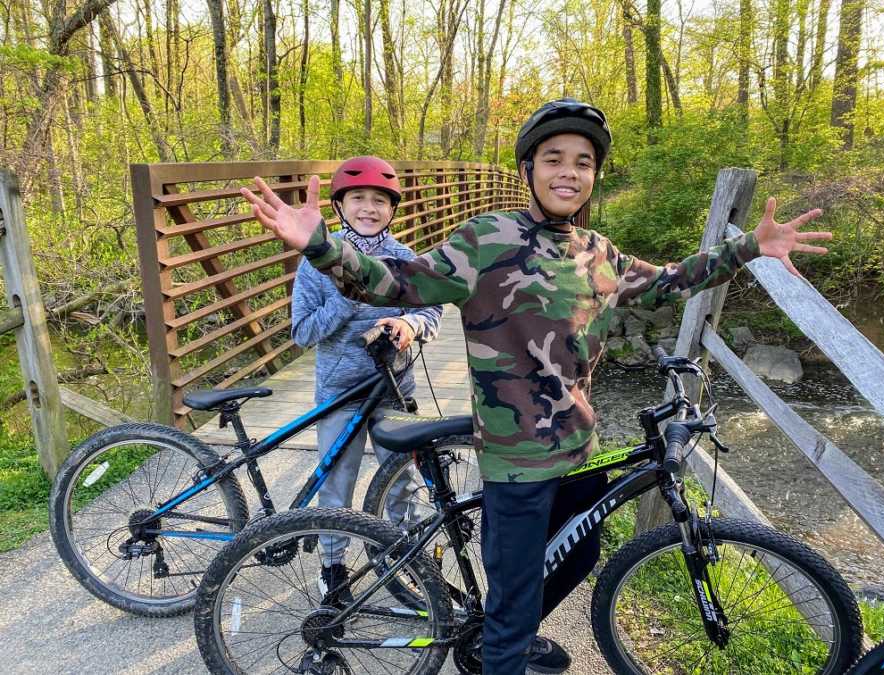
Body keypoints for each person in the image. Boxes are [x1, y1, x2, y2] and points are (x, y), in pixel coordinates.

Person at [242, 99, 832, 674]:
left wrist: (749, 247)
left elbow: (666, 284)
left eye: (582, 161)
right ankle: (504, 648)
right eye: (553, 158)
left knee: (581, 554)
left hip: (577, 449)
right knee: (512, 603)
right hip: (514, 459)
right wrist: (321, 244)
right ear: (529, 170)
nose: (569, 172)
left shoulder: (598, 253)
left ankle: (512, 637)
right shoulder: (487, 239)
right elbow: (395, 282)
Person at [289, 156, 443, 601]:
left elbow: (430, 308)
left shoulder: (404, 259)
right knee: (337, 484)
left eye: (379, 200)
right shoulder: (317, 259)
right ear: (340, 205)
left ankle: (409, 560)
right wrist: (347, 299)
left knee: (403, 482)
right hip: (341, 392)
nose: (369, 208)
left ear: (392, 208)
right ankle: (333, 567)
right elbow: (301, 333)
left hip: (395, 389)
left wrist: (410, 326)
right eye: (358, 198)